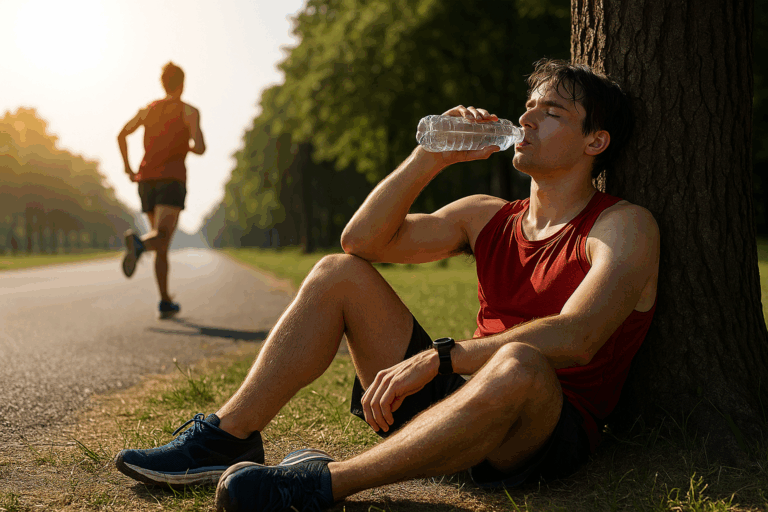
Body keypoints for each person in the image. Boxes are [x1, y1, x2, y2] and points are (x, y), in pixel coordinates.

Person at [115, 59, 659, 512]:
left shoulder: (624, 225)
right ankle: (228, 434)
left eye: (552, 112)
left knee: (518, 363)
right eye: (530, 107)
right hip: (457, 397)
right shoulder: (486, 215)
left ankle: (327, 483)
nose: (527, 118)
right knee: (337, 272)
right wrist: (429, 157)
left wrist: (441, 357)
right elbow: (363, 241)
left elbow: (580, 334)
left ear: (596, 141)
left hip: (535, 426)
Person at [117, 62, 206, 319]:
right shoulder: (189, 111)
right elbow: (200, 147)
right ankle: (138, 244)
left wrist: (128, 168)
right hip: (172, 179)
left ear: (162, 83)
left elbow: (121, 135)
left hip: (146, 180)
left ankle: (165, 301)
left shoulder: (147, 111)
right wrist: (185, 145)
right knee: (162, 238)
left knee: (162, 243)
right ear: (183, 84)